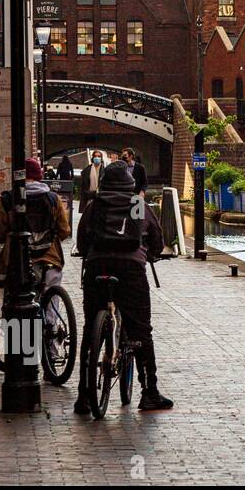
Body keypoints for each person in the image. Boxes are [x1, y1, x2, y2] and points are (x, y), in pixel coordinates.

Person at [75, 160, 173, 413]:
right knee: (141, 331)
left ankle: (84, 396)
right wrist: (150, 253)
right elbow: (155, 238)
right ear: (130, 184)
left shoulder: (95, 206)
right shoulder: (137, 204)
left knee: (89, 330)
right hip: (130, 271)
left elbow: (83, 240)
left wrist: (91, 254)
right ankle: (149, 391)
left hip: (97, 268)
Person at [0, 158, 71, 312]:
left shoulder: (6, 200)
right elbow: (64, 230)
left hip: (17, 260)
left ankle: (18, 331)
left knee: (14, 300)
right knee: (51, 297)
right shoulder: (53, 199)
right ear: (38, 175)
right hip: (49, 257)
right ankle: (51, 329)